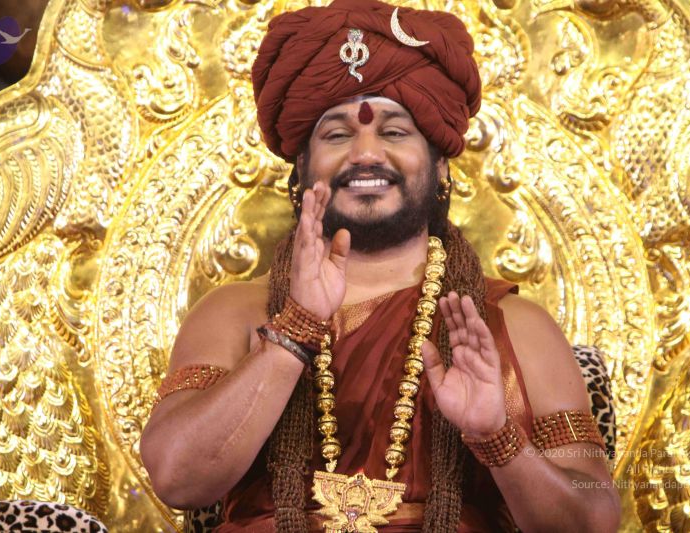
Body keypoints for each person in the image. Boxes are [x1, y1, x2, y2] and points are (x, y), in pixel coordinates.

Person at [140, 0, 622, 531]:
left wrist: (499, 438)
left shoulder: (516, 326)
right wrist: (294, 331)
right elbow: (178, 480)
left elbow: (593, 521)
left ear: (440, 166)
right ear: (302, 168)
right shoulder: (236, 312)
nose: (366, 153)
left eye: (394, 132)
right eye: (337, 135)